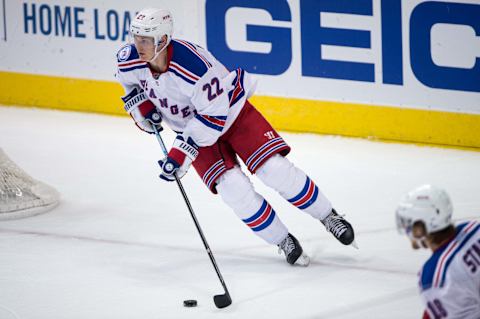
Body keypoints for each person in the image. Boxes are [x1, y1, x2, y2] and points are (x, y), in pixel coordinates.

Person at [116, 8, 356, 266]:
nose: (138, 46)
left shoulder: (193, 66)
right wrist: (142, 108)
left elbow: (213, 118)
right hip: (192, 130)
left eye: (145, 40)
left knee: (275, 170)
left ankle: (328, 215)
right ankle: (282, 240)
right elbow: (128, 85)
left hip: (230, 114)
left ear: (162, 40)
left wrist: (180, 155)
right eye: (136, 38)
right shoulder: (129, 59)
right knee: (233, 190)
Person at [396, 184, 480, 318]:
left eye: (408, 223)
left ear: (421, 228)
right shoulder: (474, 228)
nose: (407, 230)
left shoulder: (436, 276)